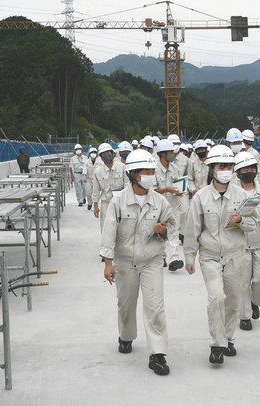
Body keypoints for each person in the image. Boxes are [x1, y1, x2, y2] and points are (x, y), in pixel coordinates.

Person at [100, 149, 174, 376]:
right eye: (145, 171)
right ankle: (126, 336)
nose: (150, 175)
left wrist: (163, 231)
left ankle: (157, 354)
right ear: (133, 174)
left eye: (152, 171)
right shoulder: (118, 201)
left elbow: (172, 228)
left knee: (155, 307)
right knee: (126, 304)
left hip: (152, 260)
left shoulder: (160, 202)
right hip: (125, 262)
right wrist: (108, 262)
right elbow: (109, 231)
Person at [184, 145, 259, 365]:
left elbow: (253, 224)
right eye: (221, 166)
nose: (225, 170)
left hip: (236, 255)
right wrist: (189, 257)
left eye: (228, 166)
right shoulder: (201, 197)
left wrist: (241, 220)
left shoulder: (241, 195)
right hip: (210, 257)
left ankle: (228, 338)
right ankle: (217, 344)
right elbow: (193, 229)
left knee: (233, 300)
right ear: (212, 168)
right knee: (217, 297)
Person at [232, 152, 260, 331]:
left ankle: (254, 301)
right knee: (243, 281)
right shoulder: (232, 192)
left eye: (252, 168)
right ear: (238, 171)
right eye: (245, 169)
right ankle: (245, 316)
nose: (249, 171)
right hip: (240, 243)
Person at [153, 139, 184, 271]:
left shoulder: (175, 168)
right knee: (160, 233)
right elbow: (152, 190)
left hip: (174, 205)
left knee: (174, 232)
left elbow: (179, 185)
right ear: (162, 154)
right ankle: (162, 257)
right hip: (158, 207)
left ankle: (174, 259)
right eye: (170, 152)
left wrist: (180, 191)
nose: (173, 154)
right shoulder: (153, 169)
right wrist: (167, 189)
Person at [92, 143, 127, 232]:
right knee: (106, 228)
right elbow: (96, 190)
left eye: (108, 152)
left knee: (122, 228)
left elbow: (127, 185)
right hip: (106, 204)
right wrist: (95, 206)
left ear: (112, 153)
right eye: (104, 153)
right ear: (101, 156)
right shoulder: (98, 171)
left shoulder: (122, 167)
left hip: (121, 202)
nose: (107, 155)